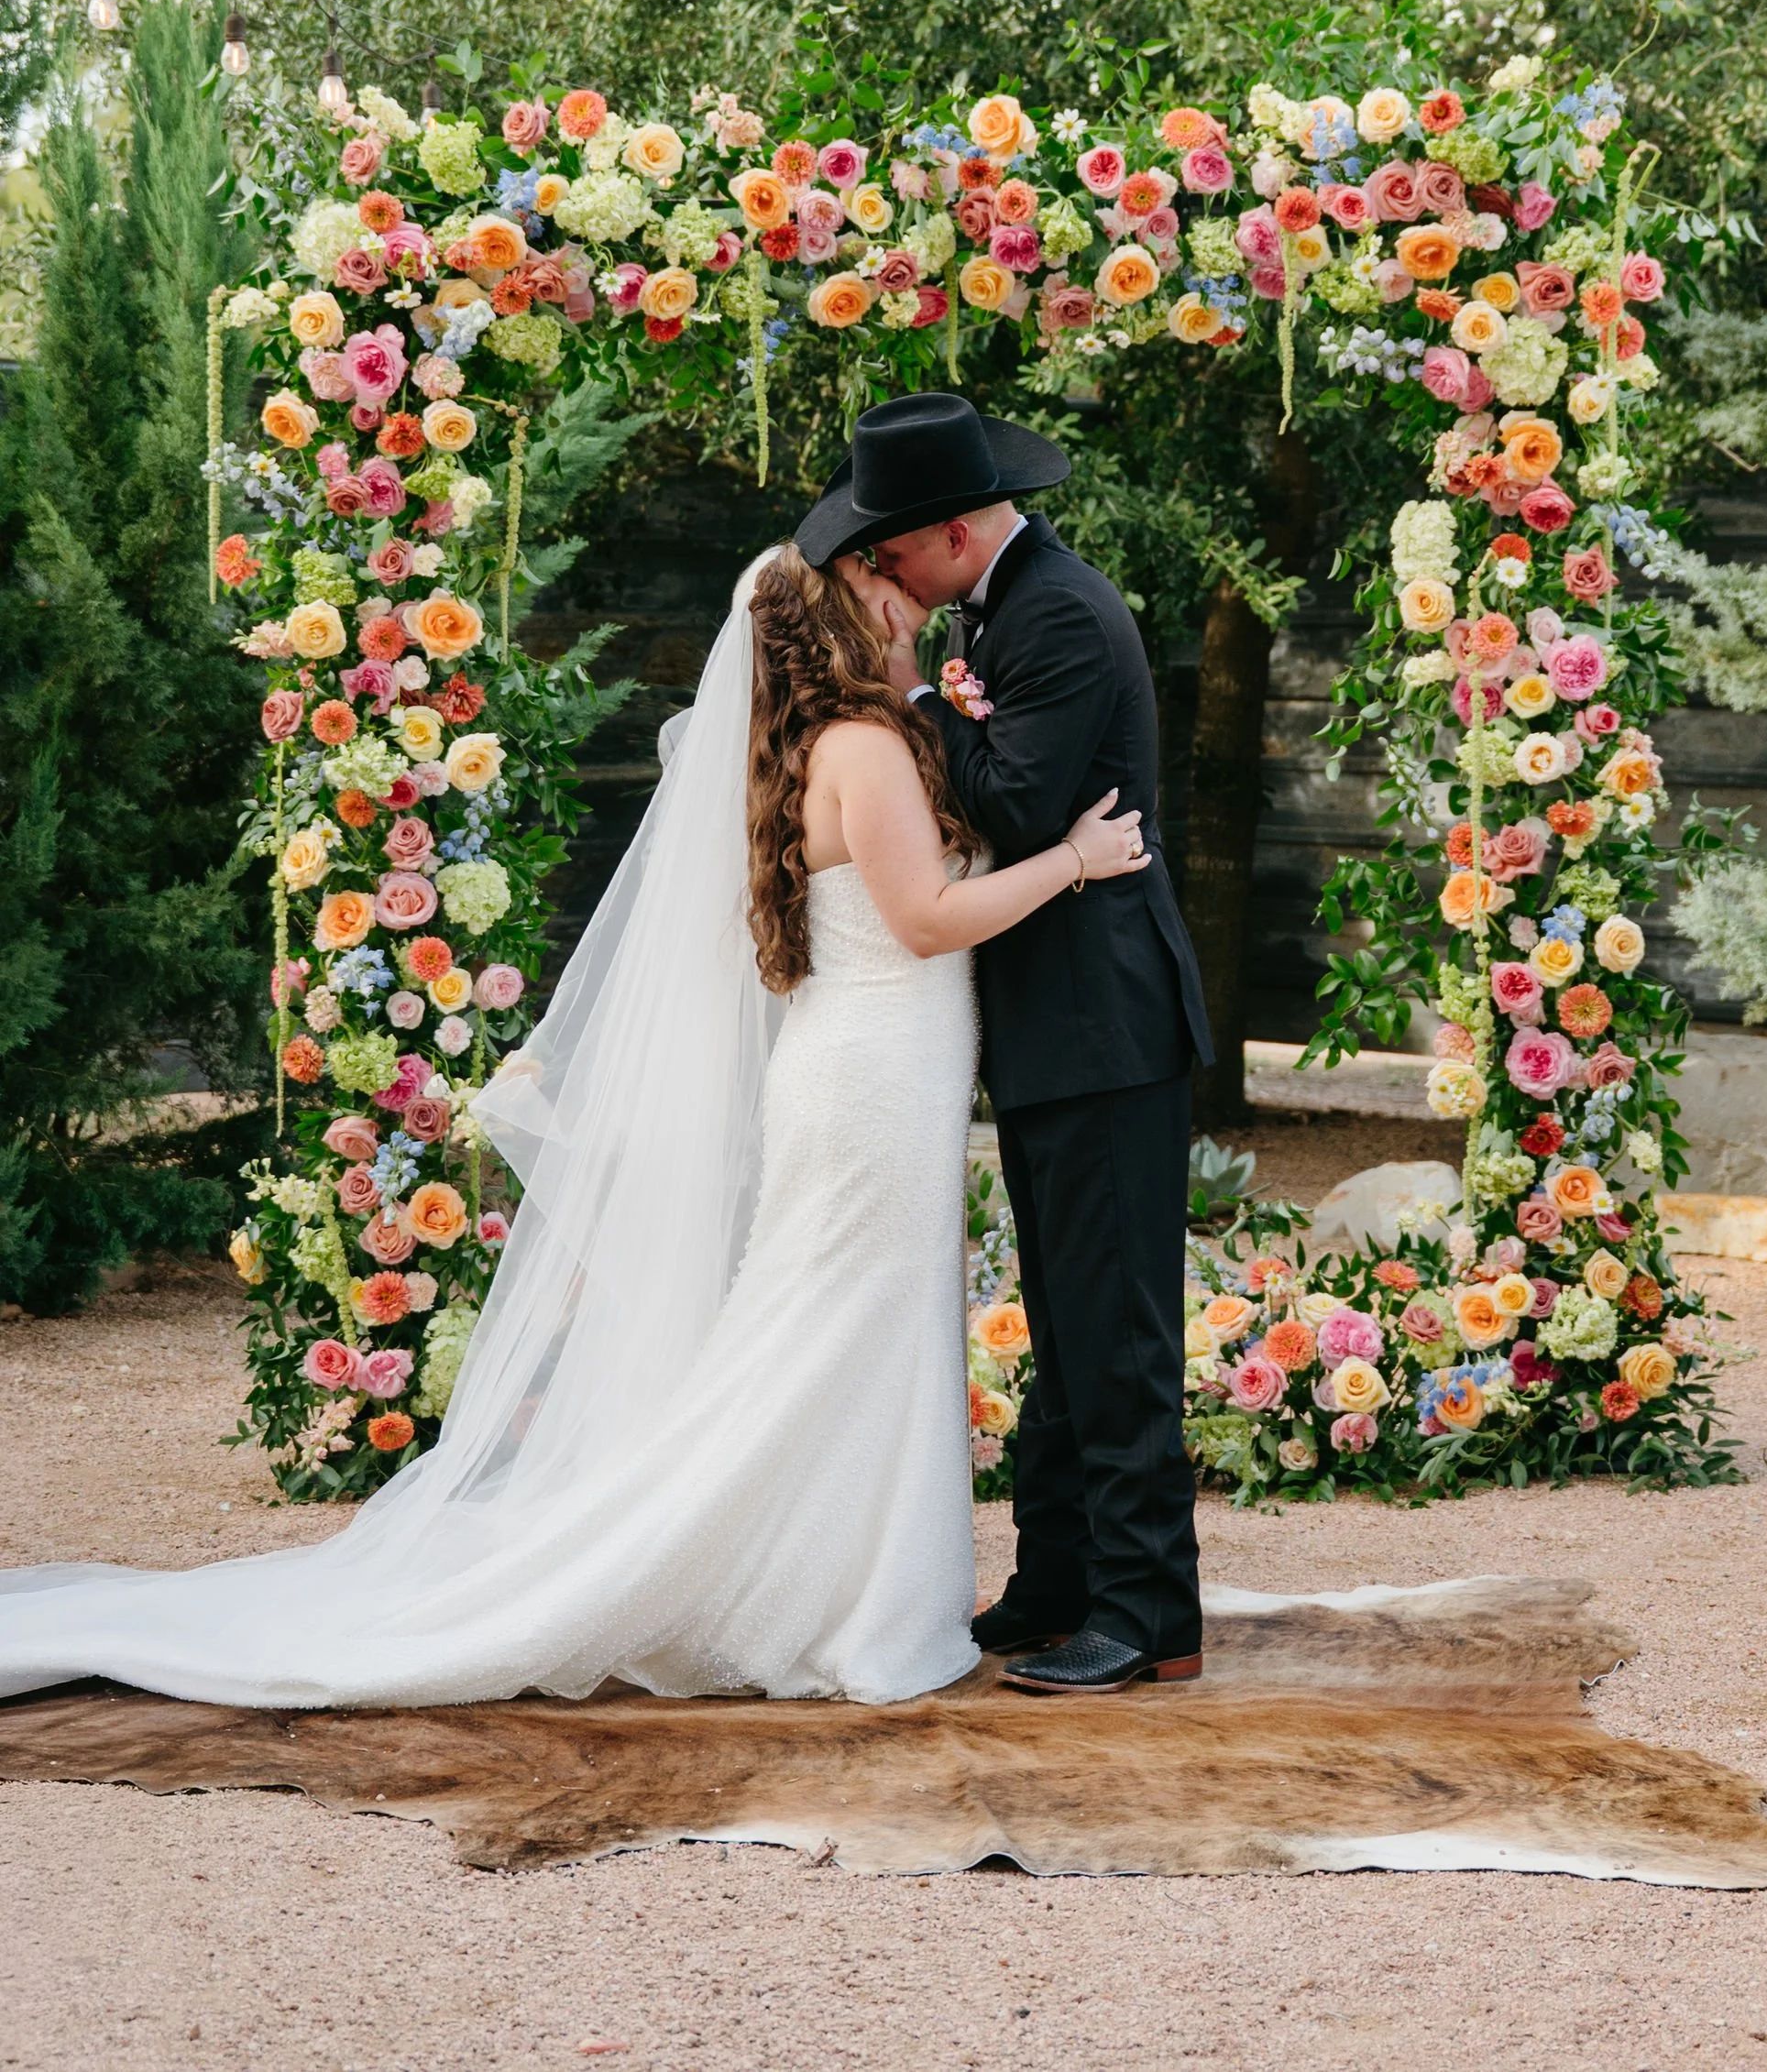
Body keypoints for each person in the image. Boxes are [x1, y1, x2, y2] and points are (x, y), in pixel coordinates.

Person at [0, 543, 1147, 1710]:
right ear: (843, 623)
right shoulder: (858, 748)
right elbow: (928, 915)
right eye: (870, 581)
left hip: (876, 1076)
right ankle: (760, 1590)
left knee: (853, 1332)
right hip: (869, 1081)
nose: (894, 579)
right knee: (827, 1332)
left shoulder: (841, 736)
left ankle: (848, 1586)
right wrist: (1072, 857)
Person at [795, 391, 1213, 1696]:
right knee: (1066, 1318)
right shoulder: (1009, 606)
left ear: (958, 529)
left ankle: (1146, 1613)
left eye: (892, 548)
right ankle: (1059, 1581)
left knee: (1120, 1328)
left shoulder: (1063, 615)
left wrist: (918, 693)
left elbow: (1025, 805)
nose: (882, 570)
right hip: (1052, 1030)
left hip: (1106, 1027)